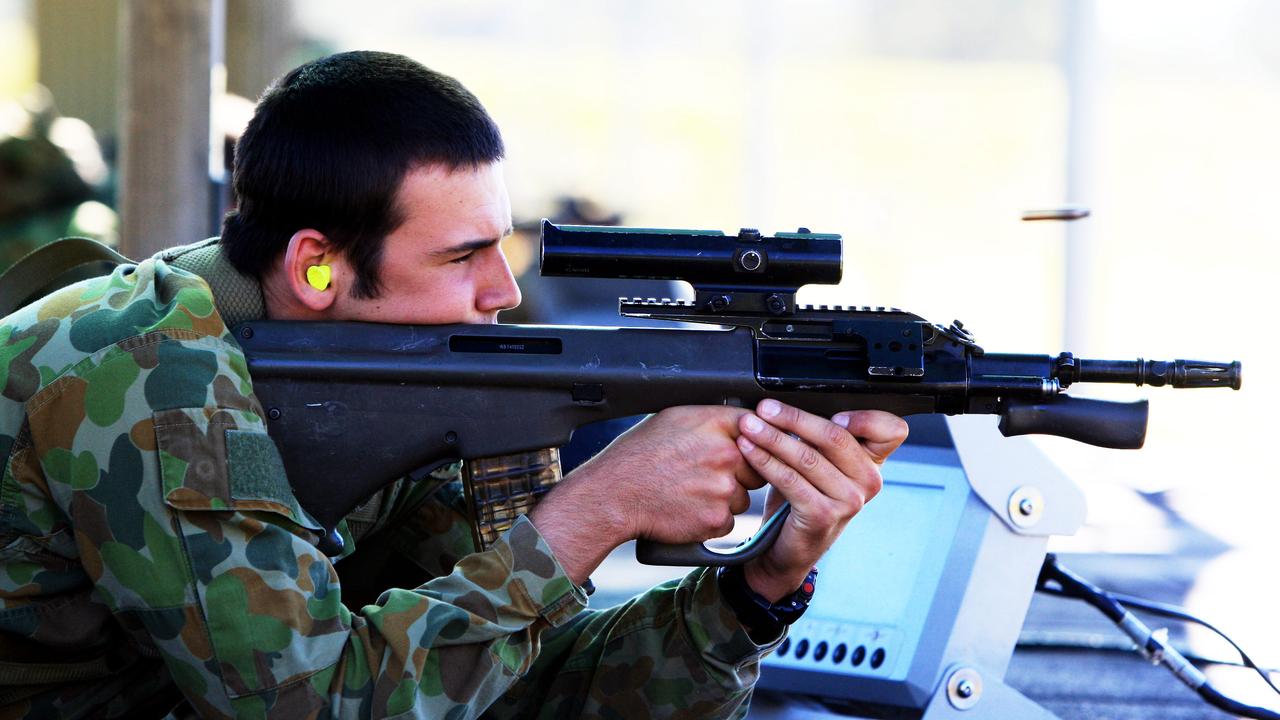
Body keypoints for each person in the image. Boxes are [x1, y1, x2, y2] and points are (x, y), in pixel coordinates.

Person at [0, 51, 908, 718]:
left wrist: (756, 589)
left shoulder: (383, 372)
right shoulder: (149, 374)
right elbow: (304, 709)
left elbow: (511, 681)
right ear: (318, 268)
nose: (504, 294)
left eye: (500, 248)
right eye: (462, 254)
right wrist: (598, 506)